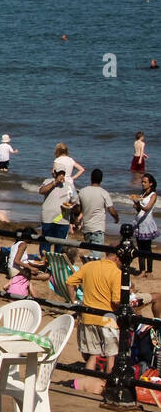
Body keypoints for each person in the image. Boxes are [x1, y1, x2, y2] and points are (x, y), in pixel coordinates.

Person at [66, 252, 124, 395]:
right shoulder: (116, 272)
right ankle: (108, 385)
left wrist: (73, 301)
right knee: (111, 355)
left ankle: (88, 383)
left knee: (93, 354)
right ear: (116, 258)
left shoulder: (89, 266)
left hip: (88, 316)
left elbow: (69, 282)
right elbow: (116, 301)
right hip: (108, 319)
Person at [77, 169, 118, 260]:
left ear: (91, 178)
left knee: (92, 251)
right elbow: (111, 210)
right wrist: (116, 218)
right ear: (101, 179)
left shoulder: (83, 191)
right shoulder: (104, 193)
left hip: (86, 228)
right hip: (98, 229)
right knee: (96, 255)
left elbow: (79, 209)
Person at [37, 167, 76, 253]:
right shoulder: (47, 181)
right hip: (48, 219)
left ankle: (57, 264)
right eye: (59, 174)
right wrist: (54, 182)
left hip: (62, 219)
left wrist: (71, 207)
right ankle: (45, 263)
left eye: (63, 174)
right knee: (45, 245)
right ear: (54, 174)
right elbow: (41, 191)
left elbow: (75, 202)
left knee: (60, 247)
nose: (61, 176)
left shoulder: (69, 186)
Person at [131, 173, 158, 277]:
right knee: (140, 247)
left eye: (145, 182)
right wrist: (137, 205)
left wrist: (139, 204)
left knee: (147, 248)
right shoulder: (142, 194)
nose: (142, 184)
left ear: (150, 183)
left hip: (147, 223)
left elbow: (147, 208)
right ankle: (142, 270)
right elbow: (140, 209)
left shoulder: (153, 195)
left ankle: (149, 271)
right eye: (142, 182)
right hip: (139, 221)